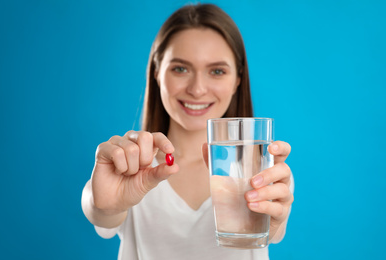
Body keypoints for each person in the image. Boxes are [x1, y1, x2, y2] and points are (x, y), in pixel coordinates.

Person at [81, 3, 294, 260]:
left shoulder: (264, 172)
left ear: (238, 79)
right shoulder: (130, 167)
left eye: (216, 71)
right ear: (157, 72)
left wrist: (272, 222)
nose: (197, 89)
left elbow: (273, 232)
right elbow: (100, 209)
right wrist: (101, 203)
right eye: (180, 68)